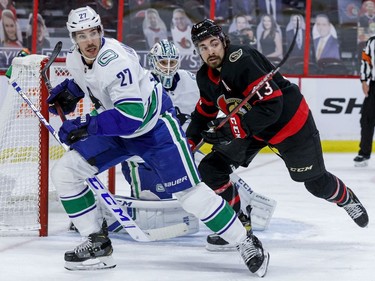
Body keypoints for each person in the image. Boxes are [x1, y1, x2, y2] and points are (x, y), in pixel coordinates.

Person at [47, 6, 269, 277]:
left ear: (101, 32)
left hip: (153, 129)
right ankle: (97, 241)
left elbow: (131, 117)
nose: (89, 41)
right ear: (74, 38)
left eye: (93, 33)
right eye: (82, 36)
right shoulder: (75, 58)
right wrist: (70, 90)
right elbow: (88, 81)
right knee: (65, 172)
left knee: (190, 195)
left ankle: (245, 242)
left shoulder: (115, 61)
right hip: (117, 128)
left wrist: (85, 125)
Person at [187, 18, 369, 267]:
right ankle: (241, 230)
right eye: (203, 47)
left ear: (223, 41)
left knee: (315, 184)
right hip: (253, 129)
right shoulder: (205, 77)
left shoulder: (242, 59)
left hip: (290, 124)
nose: (210, 51)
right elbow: (204, 112)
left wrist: (232, 128)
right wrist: (189, 139)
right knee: (211, 168)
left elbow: (273, 106)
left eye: (214, 43)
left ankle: (345, 197)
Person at [354, 35, 375, 167]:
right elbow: (365, 61)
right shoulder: (372, 42)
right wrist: (364, 81)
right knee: (367, 119)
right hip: (374, 85)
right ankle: (364, 153)